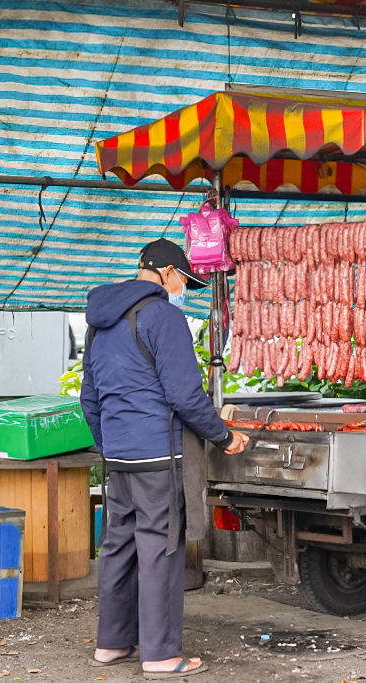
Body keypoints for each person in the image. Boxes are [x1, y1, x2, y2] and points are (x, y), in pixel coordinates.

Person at [80, 238, 249, 678]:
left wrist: (111, 444)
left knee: (118, 545)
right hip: (159, 453)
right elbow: (184, 395)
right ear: (167, 273)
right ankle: (159, 654)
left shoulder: (99, 323)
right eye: (183, 282)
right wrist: (223, 435)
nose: (182, 290)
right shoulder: (164, 317)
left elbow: (89, 397)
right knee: (160, 549)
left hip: (119, 457)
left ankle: (112, 644)